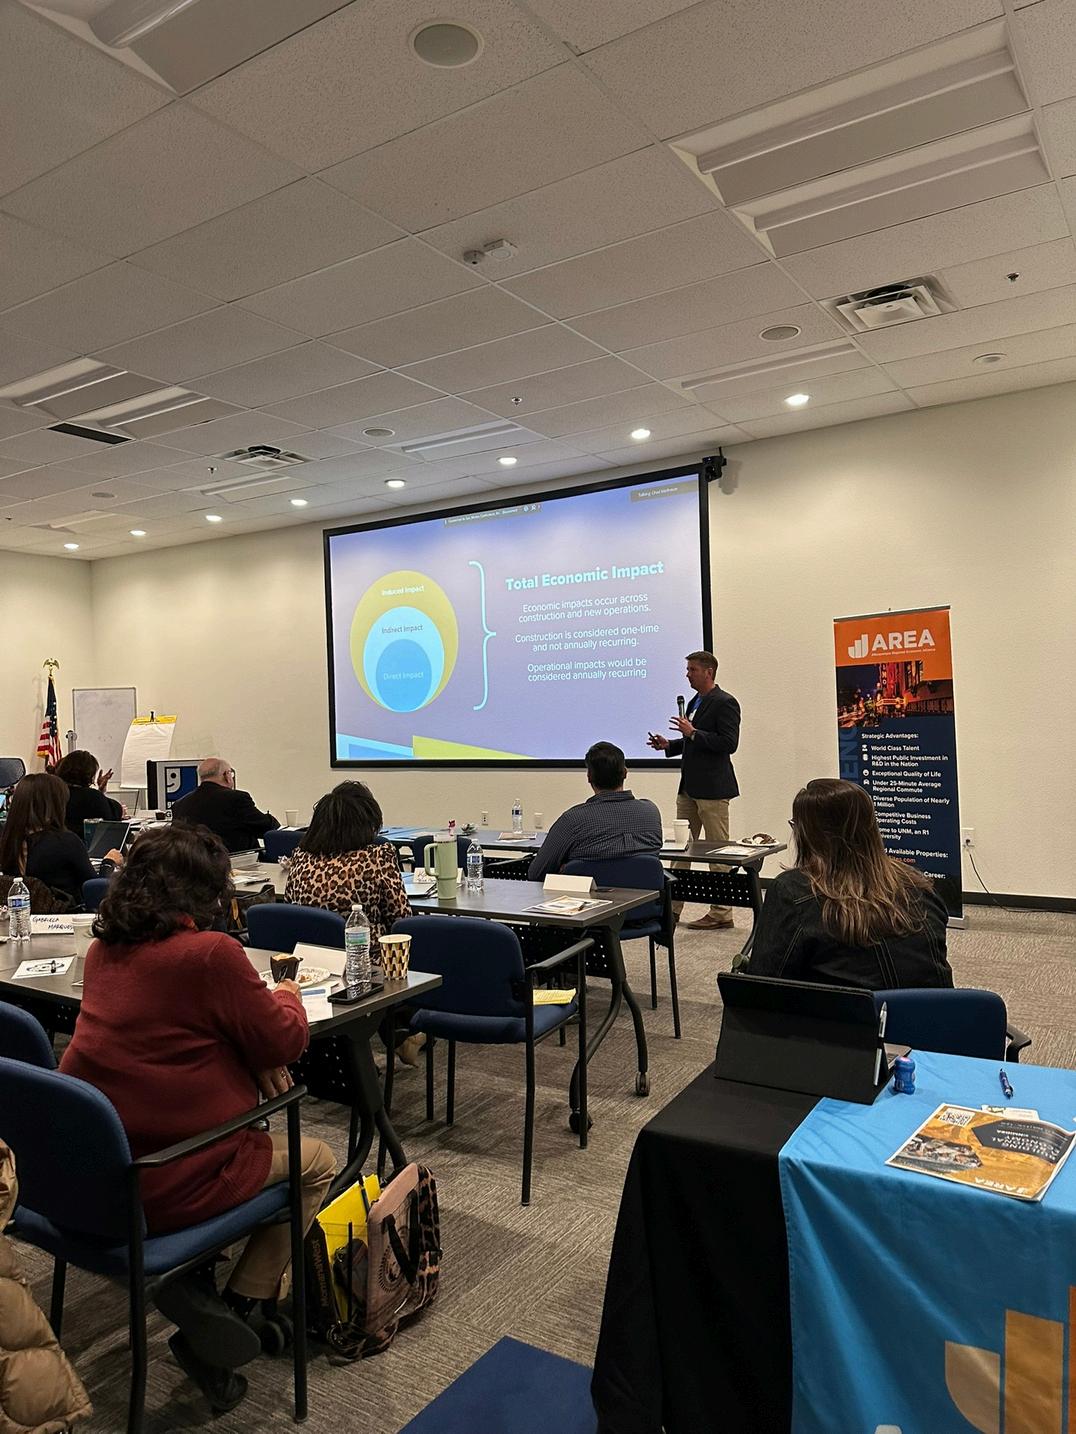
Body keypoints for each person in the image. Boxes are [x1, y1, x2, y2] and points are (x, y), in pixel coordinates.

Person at [60, 824, 334, 1414]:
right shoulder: (211, 954)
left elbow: (176, 1035)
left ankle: (197, 1278)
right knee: (318, 1161)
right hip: (168, 1173)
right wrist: (287, 993)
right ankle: (226, 1318)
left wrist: (253, 1056)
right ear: (204, 893)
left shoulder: (103, 951)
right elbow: (284, 1039)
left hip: (94, 1171)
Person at [746, 778, 953, 990]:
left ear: (807, 833)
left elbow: (763, 984)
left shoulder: (791, 891)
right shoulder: (919, 885)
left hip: (847, 1011)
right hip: (930, 1011)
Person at [647, 651, 740, 930]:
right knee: (680, 851)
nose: (687, 674)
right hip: (688, 788)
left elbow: (729, 743)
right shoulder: (694, 701)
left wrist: (693, 733)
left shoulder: (725, 702)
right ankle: (672, 909)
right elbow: (692, 742)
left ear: (708, 672)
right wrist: (670, 745)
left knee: (717, 852)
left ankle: (722, 913)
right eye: (687, 669)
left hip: (713, 790)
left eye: (692, 670)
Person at [285, 780, 410, 941]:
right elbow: (401, 919)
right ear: (367, 823)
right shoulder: (377, 857)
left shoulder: (301, 857)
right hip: (365, 952)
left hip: (309, 952)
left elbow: (290, 909)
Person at [527, 742, 662, 881]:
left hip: (587, 895)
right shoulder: (651, 812)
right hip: (646, 895)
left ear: (589, 777)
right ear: (625, 773)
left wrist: (567, 869)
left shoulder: (572, 820)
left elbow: (536, 873)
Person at [0, 773, 121, 905]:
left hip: (20, 912)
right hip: (64, 913)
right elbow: (97, 890)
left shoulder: (8, 841)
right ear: (56, 804)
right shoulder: (65, 842)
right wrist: (108, 863)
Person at [171, 757, 279, 853]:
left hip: (194, 864)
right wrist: (272, 820)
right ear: (226, 775)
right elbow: (265, 827)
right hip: (233, 862)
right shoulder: (236, 798)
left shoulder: (179, 804)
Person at [53, 749, 122, 837]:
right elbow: (113, 815)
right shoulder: (93, 797)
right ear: (90, 773)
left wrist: (100, 791)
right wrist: (100, 793)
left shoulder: (53, 794)